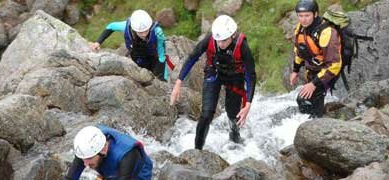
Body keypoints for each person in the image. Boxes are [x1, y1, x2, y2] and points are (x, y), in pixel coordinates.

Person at [169, 15, 257, 150]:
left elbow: (251, 75)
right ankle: (197, 149)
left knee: (233, 114)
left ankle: (234, 136)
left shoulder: (242, 46)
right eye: (218, 40)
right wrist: (178, 83)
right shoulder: (210, 39)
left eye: (224, 40)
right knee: (206, 114)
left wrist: (248, 105)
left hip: (235, 77)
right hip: (214, 74)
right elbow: (193, 57)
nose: (220, 44)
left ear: (233, 35)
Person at [289, 0, 343, 118]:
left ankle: (317, 123)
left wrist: (314, 84)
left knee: (305, 100)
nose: (303, 19)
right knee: (307, 101)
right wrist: (295, 70)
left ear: (315, 14)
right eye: (300, 16)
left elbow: (334, 65)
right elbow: (299, 51)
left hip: (328, 70)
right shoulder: (300, 28)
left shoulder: (326, 32)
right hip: (313, 69)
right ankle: (313, 120)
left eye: (307, 15)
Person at [90, 10, 169, 81]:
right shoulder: (125, 26)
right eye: (140, 32)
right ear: (134, 29)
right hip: (137, 57)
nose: (144, 34)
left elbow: (162, 53)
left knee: (159, 80)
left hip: (153, 57)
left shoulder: (157, 32)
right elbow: (111, 26)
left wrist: (160, 70)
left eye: (146, 31)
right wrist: (98, 42)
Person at [65, 125, 153, 180]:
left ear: (103, 150)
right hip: (107, 165)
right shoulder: (87, 149)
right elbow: (70, 178)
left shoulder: (127, 155)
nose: (85, 163)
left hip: (137, 172)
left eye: (89, 158)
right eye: (83, 159)